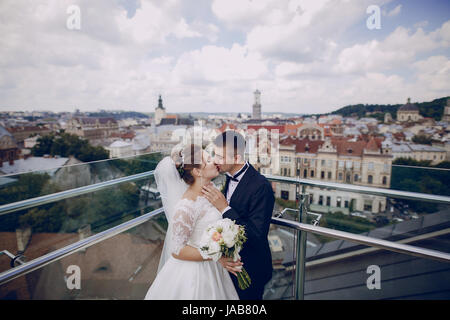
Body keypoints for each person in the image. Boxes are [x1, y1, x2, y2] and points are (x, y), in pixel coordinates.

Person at [144, 143, 240, 300]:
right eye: (209, 160)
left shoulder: (211, 190)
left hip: (214, 268)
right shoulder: (185, 207)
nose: (215, 161)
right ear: (197, 171)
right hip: (195, 275)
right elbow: (177, 250)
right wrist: (215, 254)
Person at [202, 131, 275, 300]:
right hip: (227, 269)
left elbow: (257, 235)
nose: (214, 160)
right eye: (214, 154)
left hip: (250, 268)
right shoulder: (228, 176)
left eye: (220, 156)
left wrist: (225, 209)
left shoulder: (261, 187)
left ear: (236, 158)